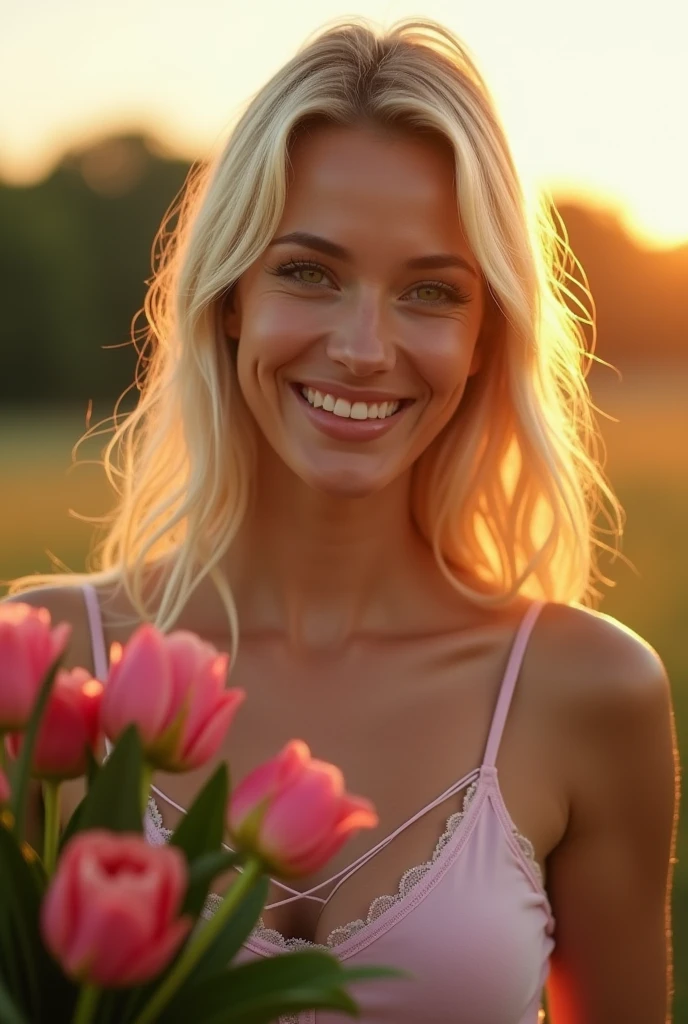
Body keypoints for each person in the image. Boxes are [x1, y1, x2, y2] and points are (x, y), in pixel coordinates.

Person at [6, 17, 678, 1024]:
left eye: (429, 292)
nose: (364, 348)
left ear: (484, 335)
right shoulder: (48, 672)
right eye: (308, 272)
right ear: (230, 296)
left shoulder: (584, 691)